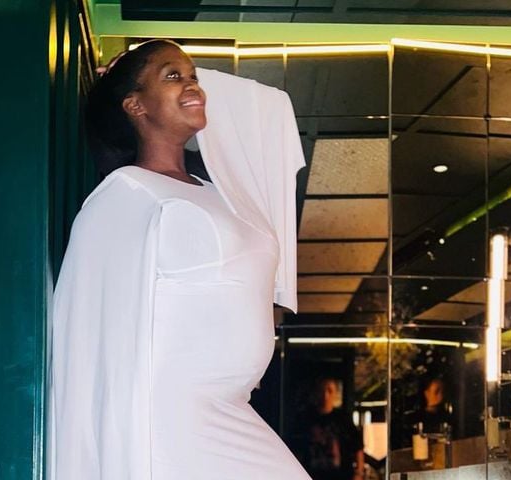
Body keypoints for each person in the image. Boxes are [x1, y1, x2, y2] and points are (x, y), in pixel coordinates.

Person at [48, 39, 309, 479]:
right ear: (135, 105)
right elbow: (86, 337)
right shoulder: (126, 193)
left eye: (195, 77)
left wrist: (178, 80)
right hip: (167, 417)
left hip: (232, 408)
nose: (193, 86)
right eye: (173, 76)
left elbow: (269, 109)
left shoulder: (224, 193)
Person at [304, 378, 365, 480]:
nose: (325, 395)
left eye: (330, 390)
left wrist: (358, 474)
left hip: (341, 476)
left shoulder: (343, 419)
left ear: (335, 394)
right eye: (321, 390)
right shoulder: (306, 419)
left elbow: (357, 447)